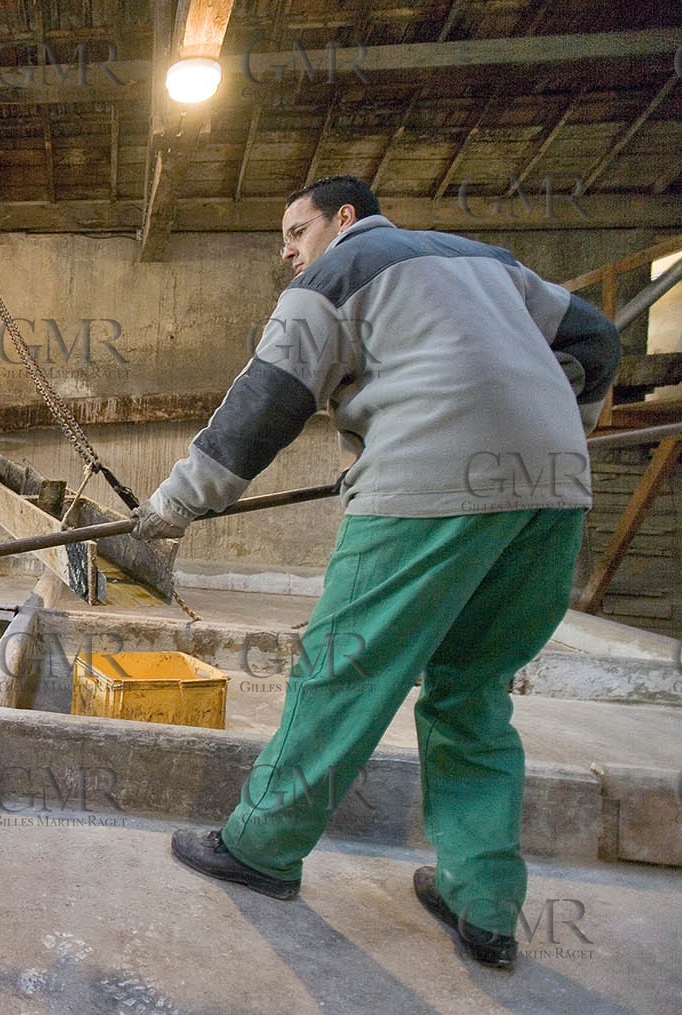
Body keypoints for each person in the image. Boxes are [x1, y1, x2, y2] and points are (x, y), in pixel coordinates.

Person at [130, 175, 620, 968]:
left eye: (296, 231)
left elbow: (266, 401)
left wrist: (174, 505)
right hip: (555, 494)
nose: (289, 252)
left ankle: (261, 846)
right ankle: (483, 899)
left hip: (427, 486)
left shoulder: (338, 272)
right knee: (473, 689)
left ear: (344, 218)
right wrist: (560, 429)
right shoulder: (491, 263)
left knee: (342, 668)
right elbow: (597, 342)